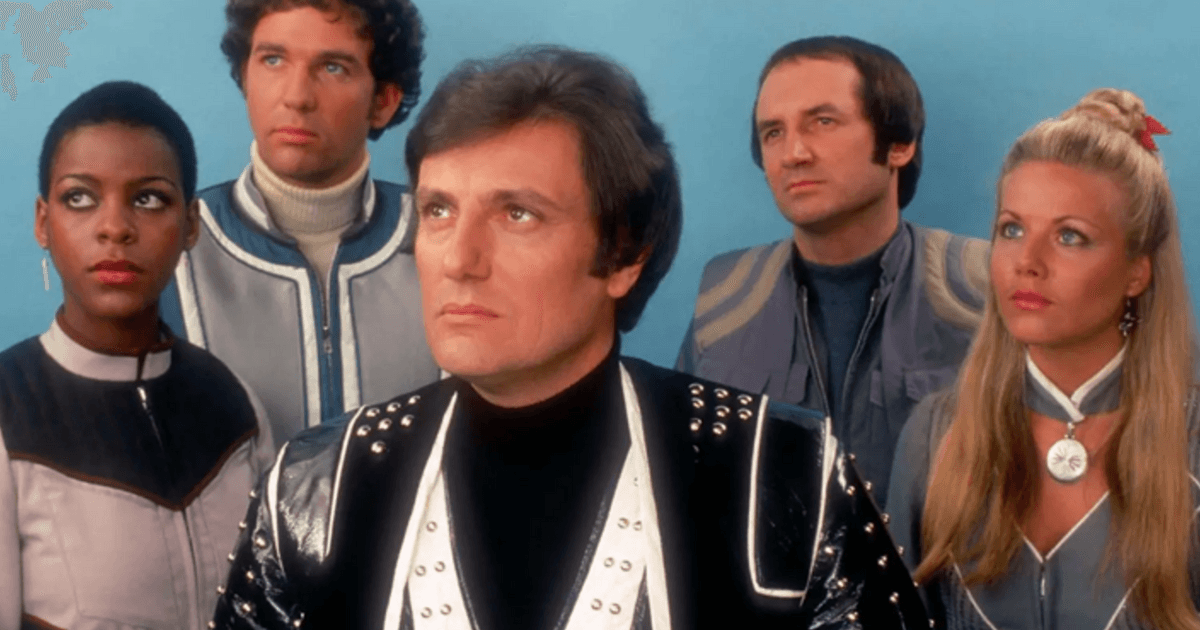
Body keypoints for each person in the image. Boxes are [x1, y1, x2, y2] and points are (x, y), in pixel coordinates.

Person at [210, 46, 928, 629]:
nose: (460, 259)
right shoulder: (314, 488)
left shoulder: (784, 470)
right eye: (438, 211)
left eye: (517, 214)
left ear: (624, 254)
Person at [886, 89, 1198, 629]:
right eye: (1012, 229)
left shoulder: (1191, 444)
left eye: (1070, 236)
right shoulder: (934, 436)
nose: (1026, 262)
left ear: (1137, 272)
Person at [0, 81, 274, 629]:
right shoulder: (9, 409)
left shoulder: (233, 402)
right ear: (42, 222)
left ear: (190, 224)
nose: (115, 228)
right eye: (80, 197)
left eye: (148, 199)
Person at [676, 36, 988, 501]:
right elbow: (683, 475)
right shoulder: (724, 300)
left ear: (899, 144)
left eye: (823, 122)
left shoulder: (985, 290)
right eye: (773, 132)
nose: (793, 153)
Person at [160, 0, 438, 441]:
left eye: (332, 67)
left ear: (383, 101)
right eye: (273, 60)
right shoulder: (170, 249)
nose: (296, 97)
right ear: (245, 77)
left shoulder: (442, 240)